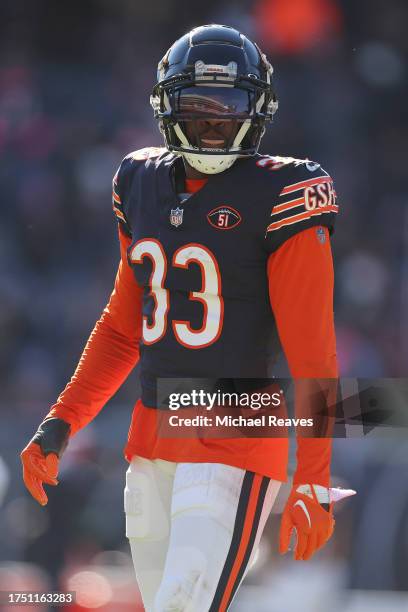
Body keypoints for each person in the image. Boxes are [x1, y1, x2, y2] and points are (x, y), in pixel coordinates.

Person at [21, 24, 352, 612]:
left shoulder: (287, 190)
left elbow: (313, 352)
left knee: (183, 603)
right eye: (199, 108)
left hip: (238, 435)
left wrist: (314, 476)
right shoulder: (140, 180)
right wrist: (62, 419)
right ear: (166, 108)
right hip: (152, 438)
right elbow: (124, 325)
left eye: (228, 110)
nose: (214, 124)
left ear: (258, 111)